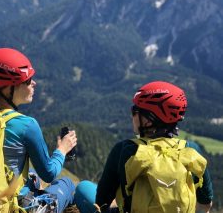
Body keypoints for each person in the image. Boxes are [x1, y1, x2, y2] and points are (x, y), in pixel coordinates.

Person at [74, 81, 213, 213]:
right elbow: (206, 202)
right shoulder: (191, 150)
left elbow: (101, 202)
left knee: (83, 188)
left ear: (148, 119)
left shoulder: (125, 149)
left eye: (135, 110)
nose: (132, 115)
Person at [0, 47, 77, 212]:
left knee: (31, 173)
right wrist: (62, 150)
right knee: (66, 183)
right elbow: (49, 173)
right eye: (27, 80)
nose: (34, 83)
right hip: (13, 207)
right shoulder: (26, 125)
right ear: (9, 88)